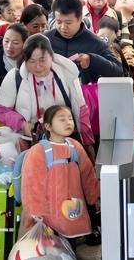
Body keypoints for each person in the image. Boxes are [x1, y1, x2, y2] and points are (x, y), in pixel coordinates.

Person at [0, 34, 94, 150]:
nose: (38, 66)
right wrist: (22, 124)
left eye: (42, 60)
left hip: (64, 139)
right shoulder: (16, 76)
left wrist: (87, 142)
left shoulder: (67, 73)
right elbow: (0, 110)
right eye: (31, 61)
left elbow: (81, 110)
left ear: (52, 56)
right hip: (29, 141)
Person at [20, 104, 100, 243]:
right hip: (48, 217)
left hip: (74, 210)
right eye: (62, 119)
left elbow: (88, 176)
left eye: (70, 118)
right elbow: (32, 186)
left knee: (70, 247)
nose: (68, 122)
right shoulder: (38, 151)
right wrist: (36, 214)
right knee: (53, 250)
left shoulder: (75, 146)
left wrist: (95, 198)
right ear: (48, 126)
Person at [44, 0, 124, 84]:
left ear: (79, 19)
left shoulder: (95, 42)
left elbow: (118, 71)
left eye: (68, 23)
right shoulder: (45, 40)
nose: (63, 27)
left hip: (83, 91)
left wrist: (92, 60)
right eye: (59, 22)